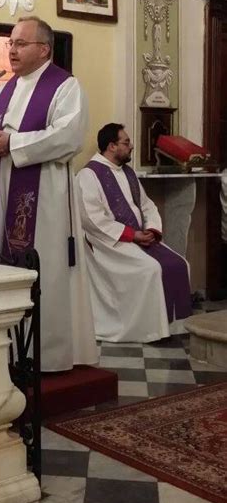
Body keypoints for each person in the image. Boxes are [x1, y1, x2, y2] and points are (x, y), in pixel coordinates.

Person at [0, 16, 97, 372]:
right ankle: (6, 348)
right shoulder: (5, 89)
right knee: (6, 263)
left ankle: (45, 353)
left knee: (46, 266)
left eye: (20, 44)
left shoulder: (65, 86)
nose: (11, 50)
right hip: (4, 183)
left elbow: (69, 136)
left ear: (43, 49)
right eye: (10, 43)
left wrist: (14, 142)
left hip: (45, 194)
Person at [76, 123, 192, 343]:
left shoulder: (128, 172)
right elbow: (92, 219)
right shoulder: (88, 175)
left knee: (181, 264)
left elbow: (146, 205)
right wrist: (132, 235)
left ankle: (175, 328)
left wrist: (151, 229)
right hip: (111, 244)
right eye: (126, 143)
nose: (131, 147)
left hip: (140, 239)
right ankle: (149, 330)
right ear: (111, 146)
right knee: (151, 269)